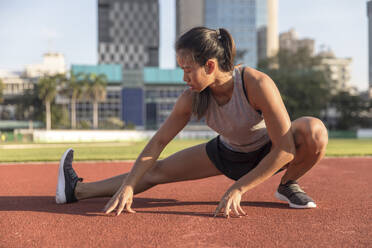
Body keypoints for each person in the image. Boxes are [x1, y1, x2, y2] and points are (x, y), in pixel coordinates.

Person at [56, 27, 328, 218]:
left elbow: (285, 149)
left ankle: (288, 185)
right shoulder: (191, 98)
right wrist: (129, 185)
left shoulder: (255, 83)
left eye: (188, 69)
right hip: (227, 153)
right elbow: (158, 142)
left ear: (209, 66)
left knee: (314, 131)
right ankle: (77, 190)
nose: (184, 77)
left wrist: (239, 187)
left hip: (268, 151)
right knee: (154, 172)